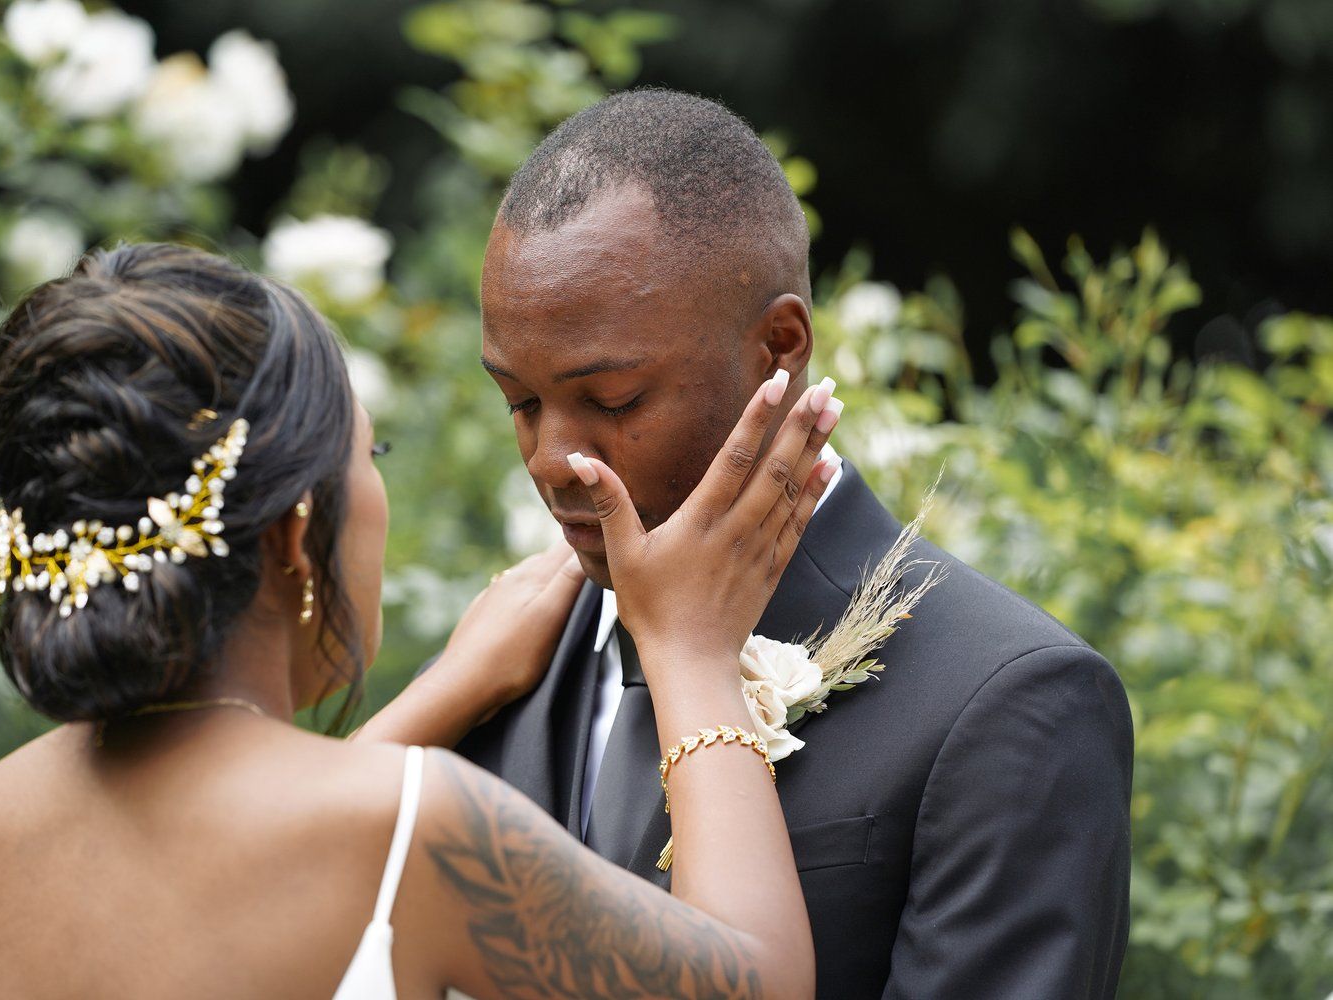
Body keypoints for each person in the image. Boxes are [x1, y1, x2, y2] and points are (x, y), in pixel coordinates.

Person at [0, 242, 844, 999]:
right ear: (298, 533)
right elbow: (750, 979)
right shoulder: (415, 831)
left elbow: (199, 869)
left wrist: (450, 688)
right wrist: (690, 647)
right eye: (368, 451)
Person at [453, 88, 1135, 999]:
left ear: (779, 346)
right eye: (519, 402)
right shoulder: (508, 653)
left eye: (613, 400)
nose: (550, 459)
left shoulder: (1009, 701)